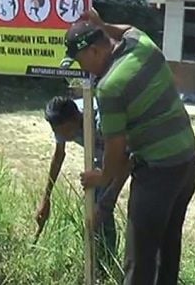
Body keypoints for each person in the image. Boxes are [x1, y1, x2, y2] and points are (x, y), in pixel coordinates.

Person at [63, 9, 195, 285]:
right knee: (167, 248)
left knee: (140, 259)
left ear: (94, 52)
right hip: (187, 163)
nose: (82, 69)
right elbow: (126, 29)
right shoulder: (143, 45)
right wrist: (102, 23)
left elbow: (116, 146)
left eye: (80, 61)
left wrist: (101, 176)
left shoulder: (110, 87)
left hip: (157, 173)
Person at [34, 96, 128, 268]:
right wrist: (46, 198)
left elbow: (124, 160)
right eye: (58, 132)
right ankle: (96, 262)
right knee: (93, 207)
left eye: (66, 131)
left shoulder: (102, 120)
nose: (62, 136)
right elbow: (59, 155)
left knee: (101, 208)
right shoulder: (60, 119)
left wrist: (107, 201)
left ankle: (107, 264)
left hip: (129, 152)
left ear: (78, 118)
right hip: (103, 157)